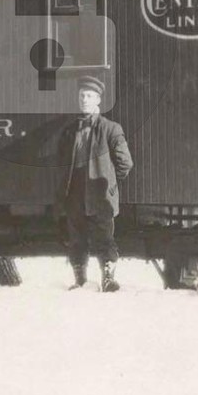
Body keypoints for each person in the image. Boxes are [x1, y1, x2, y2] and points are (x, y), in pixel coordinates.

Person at [54, 76, 133, 292]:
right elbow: (61, 162)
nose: (85, 100)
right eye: (82, 95)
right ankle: (80, 280)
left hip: (100, 195)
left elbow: (125, 162)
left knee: (104, 238)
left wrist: (109, 183)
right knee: (76, 239)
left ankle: (108, 280)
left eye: (90, 96)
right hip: (74, 194)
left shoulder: (111, 129)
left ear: (98, 100)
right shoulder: (70, 131)